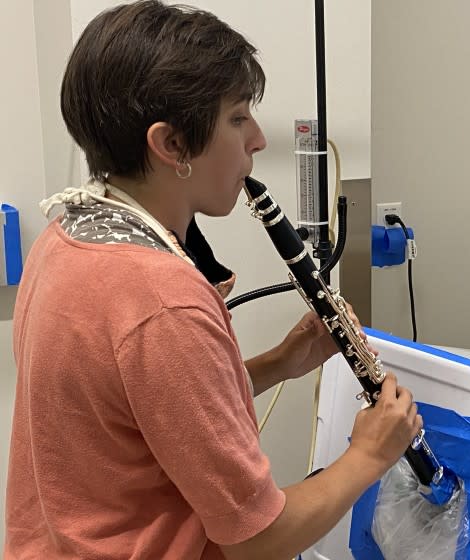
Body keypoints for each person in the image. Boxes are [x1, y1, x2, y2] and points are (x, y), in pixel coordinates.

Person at [5, 1, 422, 558]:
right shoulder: (163, 304)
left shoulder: (68, 237)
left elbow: (155, 417)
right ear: (172, 145)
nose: (257, 140)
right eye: (237, 118)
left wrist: (280, 362)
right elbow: (258, 540)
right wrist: (369, 455)